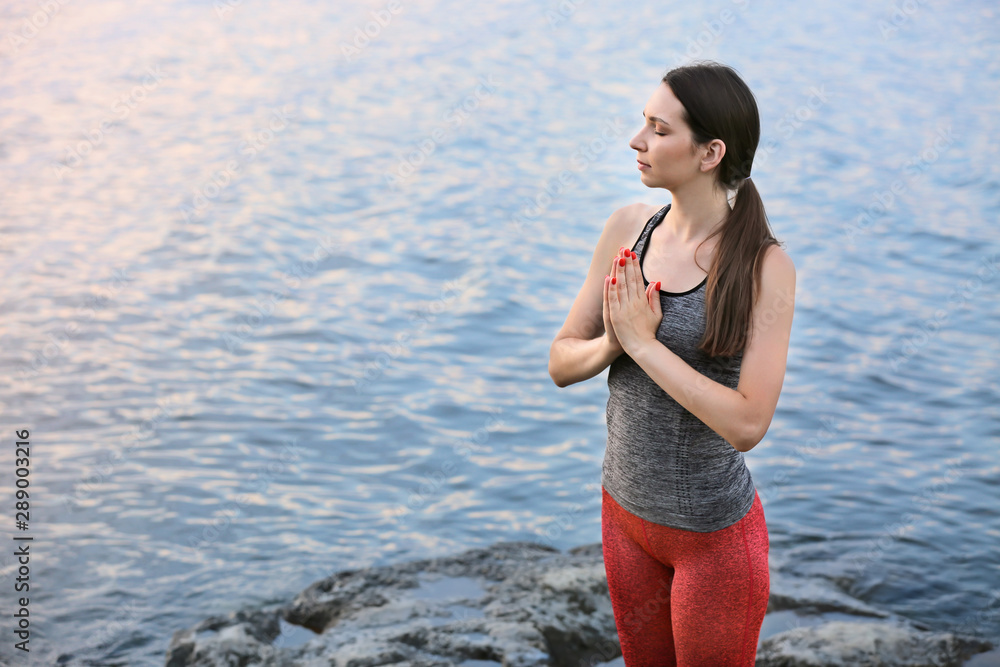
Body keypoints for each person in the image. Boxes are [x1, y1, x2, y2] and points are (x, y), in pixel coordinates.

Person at [547, 61, 796, 666]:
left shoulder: (765, 269)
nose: (638, 142)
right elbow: (560, 360)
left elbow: (746, 425)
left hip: (713, 546)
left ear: (711, 152)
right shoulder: (628, 229)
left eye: (659, 129)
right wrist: (616, 342)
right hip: (624, 518)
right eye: (643, 125)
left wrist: (645, 345)